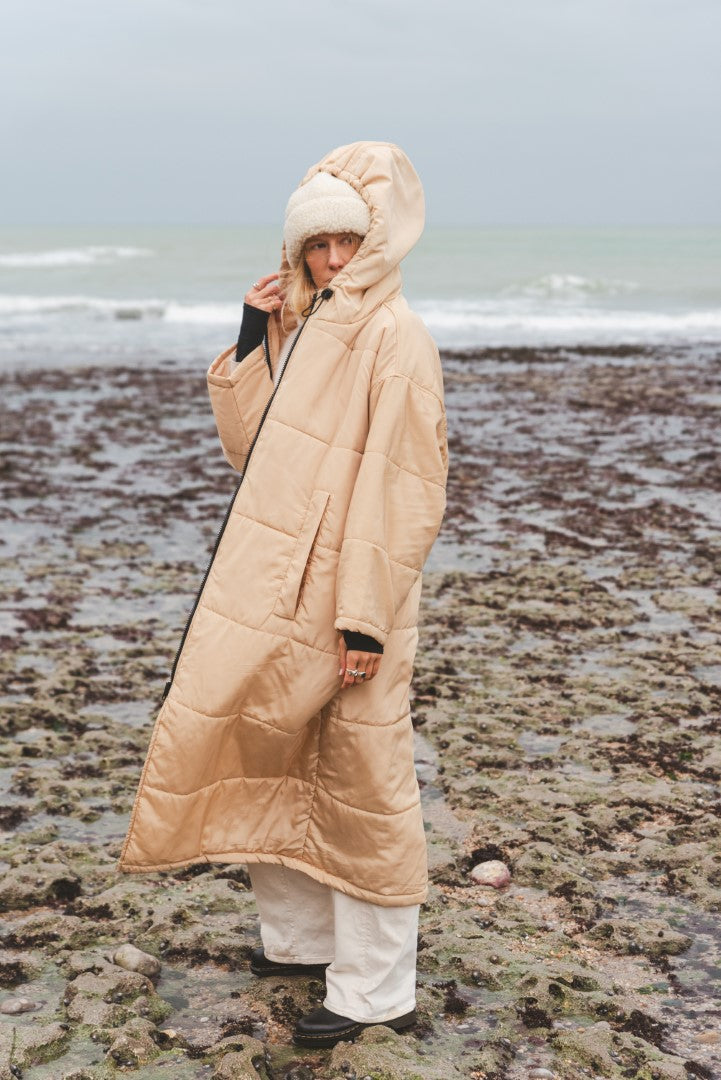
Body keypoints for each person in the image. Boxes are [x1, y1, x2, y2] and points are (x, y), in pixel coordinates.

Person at [118, 141, 449, 1049]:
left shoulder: (395, 336)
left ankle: (377, 991)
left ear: (377, 240)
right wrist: (251, 337)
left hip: (353, 597)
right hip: (281, 588)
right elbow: (254, 455)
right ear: (297, 249)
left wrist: (364, 620)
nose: (333, 260)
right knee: (277, 753)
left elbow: (404, 490)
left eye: (348, 242)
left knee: (363, 780)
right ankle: (301, 943)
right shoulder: (311, 328)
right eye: (317, 245)